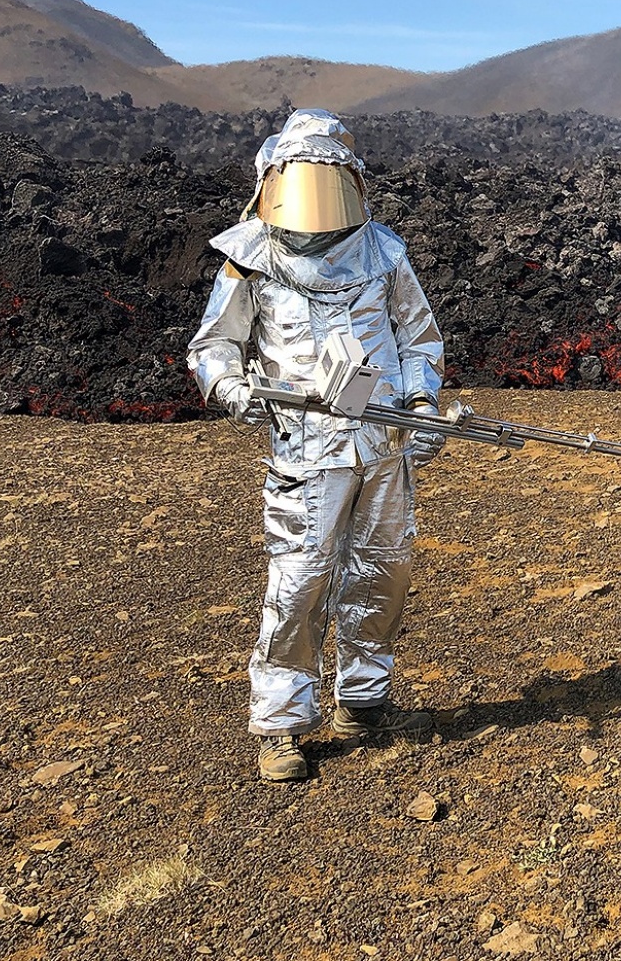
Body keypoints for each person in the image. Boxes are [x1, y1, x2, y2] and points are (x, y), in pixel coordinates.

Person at [187, 109, 451, 782]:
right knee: (300, 580)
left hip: (382, 441)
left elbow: (416, 338)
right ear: (273, 181)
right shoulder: (251, 258)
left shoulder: (384, 252)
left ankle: (363, 699)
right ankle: (280, 724)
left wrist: (420, 406)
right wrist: (230, 387)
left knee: (381, 573)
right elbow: (215, 343)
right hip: (306, 448)